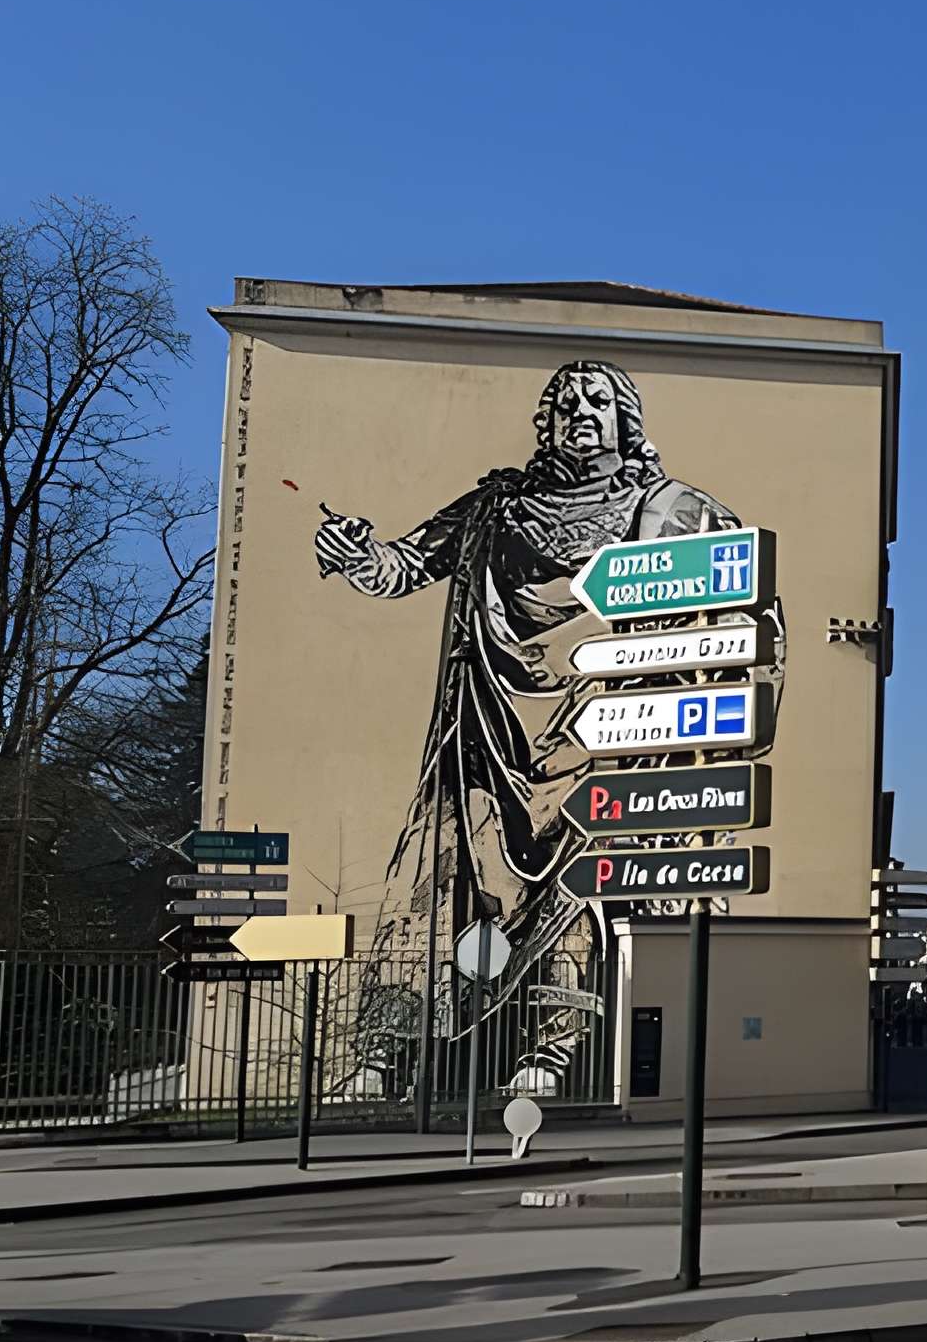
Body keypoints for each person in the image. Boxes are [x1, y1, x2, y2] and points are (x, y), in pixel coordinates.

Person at [313, 361, 761, 1095]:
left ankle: (551, 1055)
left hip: (602, 739)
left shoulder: (671, 510)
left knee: (579, 887)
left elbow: (747, 603)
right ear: (544, 422)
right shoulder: (496, 506)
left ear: (628, 421)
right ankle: (385, 1051)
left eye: (598, 401)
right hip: (487, 735)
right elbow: (403, 564)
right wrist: (355, 551)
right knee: (436, 875)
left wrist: (707, 733)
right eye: (563, 402)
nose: (579, 411)